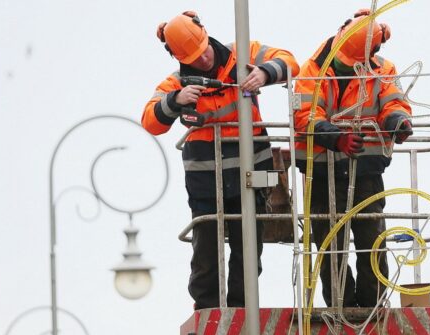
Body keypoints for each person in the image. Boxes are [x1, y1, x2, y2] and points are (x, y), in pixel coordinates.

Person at [142, 11, 300, 310]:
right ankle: (208, 307)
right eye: (193, 57)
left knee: (248, 243)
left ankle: (243, 308)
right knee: (206, 245)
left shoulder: (244, 54)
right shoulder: (176, 83)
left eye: (203, 52)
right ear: (178, 57)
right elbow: (150, 121)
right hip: (206, 178)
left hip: (250, 170)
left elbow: (291, 62)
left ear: (207, 37)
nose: (202, 61)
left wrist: (265, 73)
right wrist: (175, 101)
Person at [293, 9, 413, 308]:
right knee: (329, 245)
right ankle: (341, 306)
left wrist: (398, 122)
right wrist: (337, 138)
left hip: (365, 170)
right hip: (320, 174)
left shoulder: (381, 69)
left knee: (372, 240)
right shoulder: (311, 72)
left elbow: (392, 101)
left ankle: (372, 306)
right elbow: (305, 116)